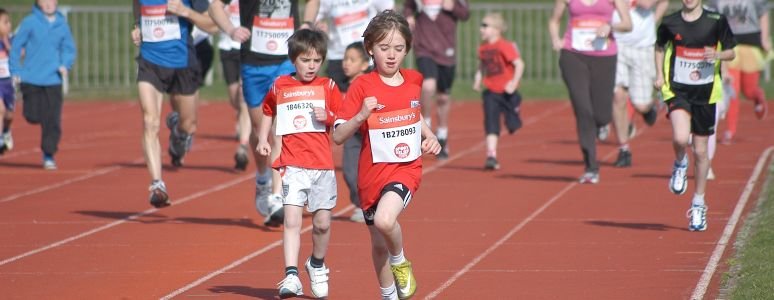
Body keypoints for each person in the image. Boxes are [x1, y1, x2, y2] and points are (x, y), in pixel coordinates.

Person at [332, 10, 441, 300]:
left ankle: (400, 261)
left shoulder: (414, 80)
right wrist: (361, 116)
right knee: (378, 243)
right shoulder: (361, 86)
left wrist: (430, 137)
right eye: (384, 48)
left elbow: (413, 116)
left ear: (407, 48)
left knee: (384, 221)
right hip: (371, 175)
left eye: (399, 48)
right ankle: (388, 295)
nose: (391, 55)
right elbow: (338, 136)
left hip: (405, 169)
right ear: (370, 48)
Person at [209, 0, 320, 226]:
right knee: (261, 132)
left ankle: (277, 196)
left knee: (281, 129)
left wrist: (307, 23)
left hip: (287, 60)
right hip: (254, 63)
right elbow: (214, 6)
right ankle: (262, 177)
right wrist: (230, 29)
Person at [256, 28, 340, 299]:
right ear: (294, 59)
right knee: (291, 219)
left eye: (316, 61)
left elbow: (340, 119)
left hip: (322, 166)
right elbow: (268, 110)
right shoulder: (281, 85)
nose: (311, 66)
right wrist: (262, 139)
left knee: (322, 224)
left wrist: (326, 115)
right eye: (306, 60)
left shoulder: (328, 87)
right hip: (292, 165)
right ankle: (291, 275)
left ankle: (316, 263)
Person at [655, 0, 736, 231]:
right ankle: (680, 162)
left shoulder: (716, 22)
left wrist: (718, 55)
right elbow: (659, 47)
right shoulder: (671, 22)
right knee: (681, 138)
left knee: (701, 151)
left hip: (706, 93)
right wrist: (659, 75)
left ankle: (698, 203)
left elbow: (731, 52)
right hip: (677, 90)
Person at [131, 0, 216, 207]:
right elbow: (136, 5)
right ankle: (157, 184)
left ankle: (178, 132)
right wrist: (136, 26)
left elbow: (212, 25)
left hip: (182, 63)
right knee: (150, 121)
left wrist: (185, 11)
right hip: (149, 62)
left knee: (189, 125)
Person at [548, 0, 632, 183]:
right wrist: (556, 39)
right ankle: (591, 167)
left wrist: (610, 26)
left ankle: (602, 123)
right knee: (583, 110)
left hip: (604, 57)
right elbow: (554, 20)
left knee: (601, 115)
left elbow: (628, 24)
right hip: (573, 55)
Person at [9, 0, 76, 170]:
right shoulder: (29, 22)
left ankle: (48, 154)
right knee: (32, 115)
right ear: (38, 3)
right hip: (31, 78)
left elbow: (69, 49)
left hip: (53, 79)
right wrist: (16, 70)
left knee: (52, 119)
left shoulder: (62, 25)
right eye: (44, 0)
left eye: (51, 0)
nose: (49, 3)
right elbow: (16, 47)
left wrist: (65, 64)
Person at [403, 0, 469, 159]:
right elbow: (408, 6)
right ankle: (425, 125)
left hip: (446, 50)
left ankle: (442, 135)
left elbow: (465, 13)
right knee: (428, 86)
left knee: (443, 97)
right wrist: (408, 17)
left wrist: (453, 7)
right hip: (424, 47)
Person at [610, 0, 668, 167]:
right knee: (618, 97)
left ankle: (650, 107)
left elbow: (654, 3)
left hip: (642, 47)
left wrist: (653, 21)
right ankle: (624, 149)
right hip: (617, 44)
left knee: (641, 104)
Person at [705, 0, 771, 144]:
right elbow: (710, 16)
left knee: (749, 90)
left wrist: (764, 38)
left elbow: (763, 13)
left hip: (750, 44)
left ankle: (758, 96)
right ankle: (730, 130)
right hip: (729, 45)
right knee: (732, 89)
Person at [472, 12, 525, 171]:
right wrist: (477, 79)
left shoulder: (504, 46)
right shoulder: (482, 48)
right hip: (491, 92)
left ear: (497, 29)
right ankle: (491, 156)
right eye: (482, 25)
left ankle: (514, 114)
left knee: (513, 124)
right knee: (491, 123)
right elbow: (482, 66)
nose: (481, 29)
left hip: (508, 92)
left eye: (485, 25)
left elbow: (519, 64)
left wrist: (513, 83)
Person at [315, 0, 393, 93]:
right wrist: (319, 26)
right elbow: (315, 15)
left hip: (366, 55)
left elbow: (390, 13)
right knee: (339, 100)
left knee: (370, 95)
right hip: (338, 55)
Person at [214, 0, 251, 170]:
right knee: (234, 97)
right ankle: (243, 118)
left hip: (246, 48)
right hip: (228, 47)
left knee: (244, 98)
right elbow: (213, 11)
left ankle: (243, 147)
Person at [0, 8, 14, 155]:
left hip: (8, 83)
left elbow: (20, 54)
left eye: (9, 22)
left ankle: (6, 130)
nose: (9, 25)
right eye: (5, 22)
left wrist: (7, 43)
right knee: (0, 110)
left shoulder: (11, 39)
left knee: (9, 115)